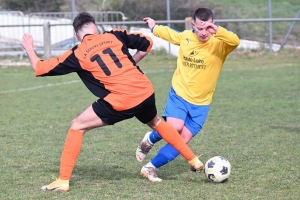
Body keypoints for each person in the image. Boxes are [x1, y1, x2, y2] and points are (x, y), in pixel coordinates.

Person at [21, 11, 204, 192]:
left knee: (77, 125)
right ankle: (194, 160)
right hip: (145, 90)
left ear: (76, 36)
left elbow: (39, 68)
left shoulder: (77, 53)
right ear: (95, 28)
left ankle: (63, 180)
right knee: (156, 122)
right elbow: (147, 42)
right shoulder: (114, 35)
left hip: (122, 99)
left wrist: (29, 47)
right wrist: (133, 62)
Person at [136, 7, 240, 182]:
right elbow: (170, 34)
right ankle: (150, 139)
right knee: (175, 128)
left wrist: (218, 32)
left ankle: (150, 167)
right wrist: (154, 27)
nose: (204, 33)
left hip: (202, 103)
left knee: (182, 140)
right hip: (180, 94)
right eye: (200, 28)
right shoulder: (186, 37)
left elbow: (235, 41)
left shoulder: (220, 44)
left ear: (213, 26)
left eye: (208, 28)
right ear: (193, 25)